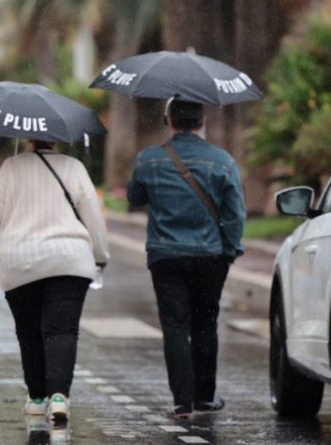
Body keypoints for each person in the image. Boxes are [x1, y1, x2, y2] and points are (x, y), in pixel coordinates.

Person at [126, 99, 246, 418]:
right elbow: (235, 215)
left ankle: (181, 401)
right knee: (206, 324)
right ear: (202, 119)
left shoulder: (149, 160)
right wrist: (230, 250)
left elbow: (134, 199)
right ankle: (204, 397)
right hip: (209, 256)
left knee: (175, 326)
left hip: (166, 256)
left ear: (169, 120)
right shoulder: (223, 162)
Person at [0, 139, 109, 422]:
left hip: (19, 262)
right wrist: (100, 255)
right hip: (70, 261)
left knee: (28, 332)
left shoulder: (11, 166)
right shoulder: (74, 167)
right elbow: (93, 217)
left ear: (28, 139)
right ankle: (60, 397)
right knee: (62, 330)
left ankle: (37, 398)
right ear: (58, 139)